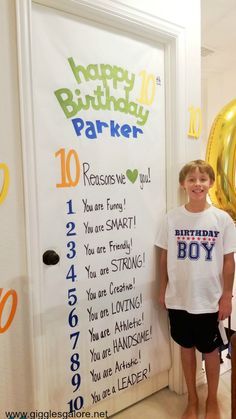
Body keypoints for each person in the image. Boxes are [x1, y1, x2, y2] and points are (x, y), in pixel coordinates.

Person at [155, 159, 236, 419]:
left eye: (202, 179)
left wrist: (226, 295)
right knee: (186, 349)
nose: (197, 184)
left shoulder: (222, 220)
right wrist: (162, 288)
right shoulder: (172, 218)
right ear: (183, 184)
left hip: (209, 300)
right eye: (192, 179)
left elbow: (228, 261)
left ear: (210, 183)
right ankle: (193, 398)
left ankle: (211, 398)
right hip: (179, 299)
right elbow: (164, 257)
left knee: (211, 352)